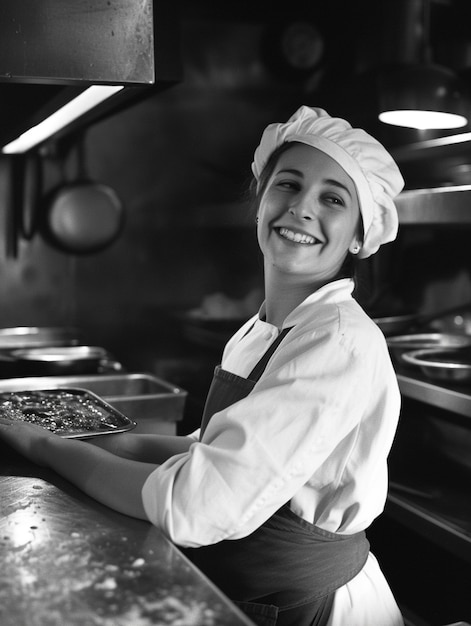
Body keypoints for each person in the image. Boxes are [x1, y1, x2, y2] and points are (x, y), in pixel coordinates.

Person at [0, 106, 405, 626]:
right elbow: (210, 450)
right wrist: (94, 438)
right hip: (255, 596)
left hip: (314, 610)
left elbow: (197, 504)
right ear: (260, 205)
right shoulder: (261, 330)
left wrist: (48, 447)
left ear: (358, 236)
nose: (302, 208)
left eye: (332, 198)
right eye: (288, 185)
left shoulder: (338, 345)